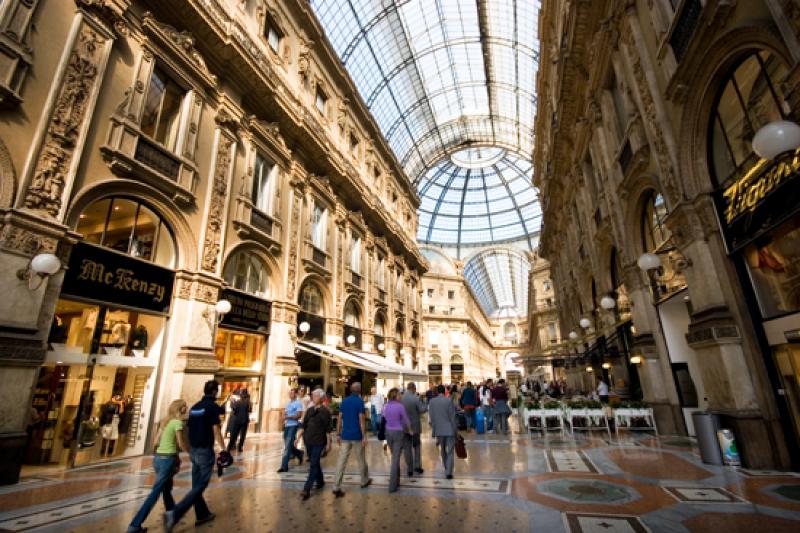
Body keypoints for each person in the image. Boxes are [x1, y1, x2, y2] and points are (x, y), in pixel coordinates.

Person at [163, 381, 226, 531]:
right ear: (215, 392)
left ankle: (202, 514)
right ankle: (174, 513)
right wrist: (223, 448)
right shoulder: (212, 407)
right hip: (204, 450)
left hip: (194, 450)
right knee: (200, 485)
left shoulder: (195, 407)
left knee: (196, 484)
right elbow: (216, 430)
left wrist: (189, 449)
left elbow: (188, 429)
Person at [128, 399, 189, 533]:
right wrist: (190, 452)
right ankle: (134, 525)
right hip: (168, 459)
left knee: (166, 489)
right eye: (185, 407)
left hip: (158, 459)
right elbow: (180, 443)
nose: (187, 409)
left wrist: (159, 454)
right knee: (155, 493)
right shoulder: (177, 423)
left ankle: (172, 516)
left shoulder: (164, 422)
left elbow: (155, 442)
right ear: (181, 409)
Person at [332, 382, 371, 497]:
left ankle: (336, 485)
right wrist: (364, 436)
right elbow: (361, 420)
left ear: (350, 390)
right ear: (359, 390)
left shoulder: (344, 401)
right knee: (361, 459)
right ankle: (364, 481)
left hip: (345, 435)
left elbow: (339, 419)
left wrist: (338, 434)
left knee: (341, 461)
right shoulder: (359, 402)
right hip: (357, 436)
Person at [296, 388, 332, 500]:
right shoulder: (310, 410)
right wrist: (298, 438)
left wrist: (329, 443)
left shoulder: (326, 412)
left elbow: (328, 429)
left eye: (316, 396)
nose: (313, 398)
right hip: (308, 440)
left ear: (321, 398)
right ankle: (320, 481)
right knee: (315, 463)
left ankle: (306, 489)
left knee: (313, 463)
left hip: (319, 441)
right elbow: (303, 425)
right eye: (313, 396)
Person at [382, 388, 413, 492]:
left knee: (394, 456)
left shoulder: (385, 406)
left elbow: (384, 417)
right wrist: (410, 430)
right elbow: (406, 419)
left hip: (388, 432)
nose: (401, 396)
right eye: (399, 395)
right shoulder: (400, 406)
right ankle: (392, 485)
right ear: (396, 396)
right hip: (398, 433)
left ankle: (397, 481)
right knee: (395, 459)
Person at [428, 384, 458, 479]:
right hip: (449, 429)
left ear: (437, 391)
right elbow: (452, 417)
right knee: (450, 451)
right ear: (445, 391)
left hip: (439, 430)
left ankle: (446, 467)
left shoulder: (432, 401)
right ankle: (449, 471)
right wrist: (455, 430)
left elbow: (431, 417)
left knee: (443, 450)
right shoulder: (449, 400)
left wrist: (434, 428)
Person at [401, 382, 426, 476]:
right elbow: (422, 410)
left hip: (404, 427)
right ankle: (417, 466)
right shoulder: (416, 398)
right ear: (414, 389)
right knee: (417, 446)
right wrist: (424, 401)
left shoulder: (401, 398)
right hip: (415, 427)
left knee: (407, 448)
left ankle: (409, 469)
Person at [277, 388, 304, 472]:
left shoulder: (298, 403)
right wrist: (284, 418)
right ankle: (299, 453)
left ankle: (284, 466)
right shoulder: (288, 403)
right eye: (290, 393)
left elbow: (299, 415)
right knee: (288, 444)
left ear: (296, 394)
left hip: (293, 425)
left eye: (292, 393)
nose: (290, 394)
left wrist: (288, 417)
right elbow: (285, 413)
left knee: (287, 446)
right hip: (287, 425)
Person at [227, 389, 251, 454]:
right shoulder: (248, 402)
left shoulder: (238, 402)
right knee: (243, 435)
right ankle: (240, 447)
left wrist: (232, 402)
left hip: (237, 420)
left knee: (234, 434)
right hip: (245, 420)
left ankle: (229, 447)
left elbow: (233, 409)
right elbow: (250, 410)